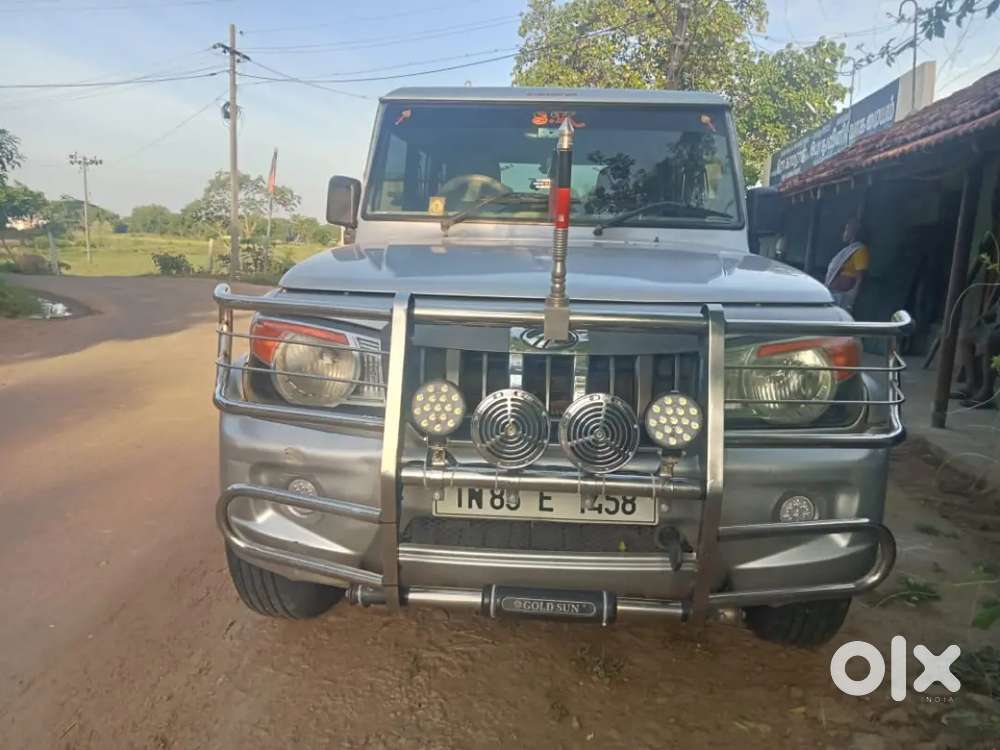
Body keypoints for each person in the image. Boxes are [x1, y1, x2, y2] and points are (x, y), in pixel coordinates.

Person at [824, 219, 870, 314]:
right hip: (834, 293)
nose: (844, 233)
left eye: (846, 230)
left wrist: (852, 297)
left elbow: (860, 277)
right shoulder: (847, 250)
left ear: (853, 233)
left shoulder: (860, 250)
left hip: (844, 297)